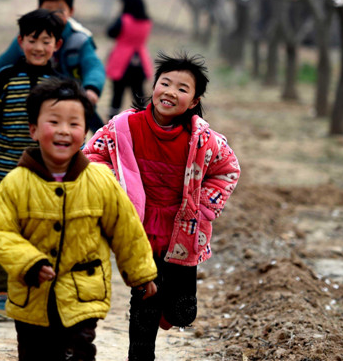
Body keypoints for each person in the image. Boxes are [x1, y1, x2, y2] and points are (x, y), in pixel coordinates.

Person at [0, 78, 158, 361]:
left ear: (86, 131)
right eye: (54, 121)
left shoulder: (100, 181)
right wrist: (29, 262)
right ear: (33, 130)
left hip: (83, 295)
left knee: (79, 352)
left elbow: (125, 229)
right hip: (31, 297)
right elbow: (0, 231)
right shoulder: (15, 183)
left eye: (74, 124)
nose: (64, 131)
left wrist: (141, 274)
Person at [83, 52, 241, 361]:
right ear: (153, 87)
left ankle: (169, 311)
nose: (170, 92)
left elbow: (228, 169)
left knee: (183, 312)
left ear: (194, 101)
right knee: (144, 303)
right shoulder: (123, 127)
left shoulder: (203, 139)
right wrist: (115, 187)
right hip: (138, 227)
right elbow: (92, 155)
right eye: (164, 83)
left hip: (183, 229)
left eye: (182, 88)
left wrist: (205, 207)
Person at [0, 8, 66, 318]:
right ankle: (3, 291)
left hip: (48, 175)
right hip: (5, 173)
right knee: (5, 231)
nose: (38, 47)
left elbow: (70, 132)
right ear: (20, 41)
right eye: (32, 40)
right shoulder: (5, 79)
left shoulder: (60, 83)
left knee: (45, 231)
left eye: (45, 41)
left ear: (56, 45)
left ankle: (40, 288)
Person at [0, 0, 106, 130]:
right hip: (33, 99)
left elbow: (93, 66)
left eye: (60, 10)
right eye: (48, 9)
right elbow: (2, 65)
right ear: (39, 8)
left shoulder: (79, 39)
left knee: (94, 129)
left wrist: (91, 88)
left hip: (71, 98)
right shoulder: (29, 38)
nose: (54, 15)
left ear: (71, 11)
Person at [105, 0, 153, 120]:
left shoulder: (124, 20)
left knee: (117, 94)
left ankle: (111, 120)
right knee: (138, 94)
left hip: (122, 59)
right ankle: (144, 119)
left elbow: (110, 33)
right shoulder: (147, 21)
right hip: (140, 59)